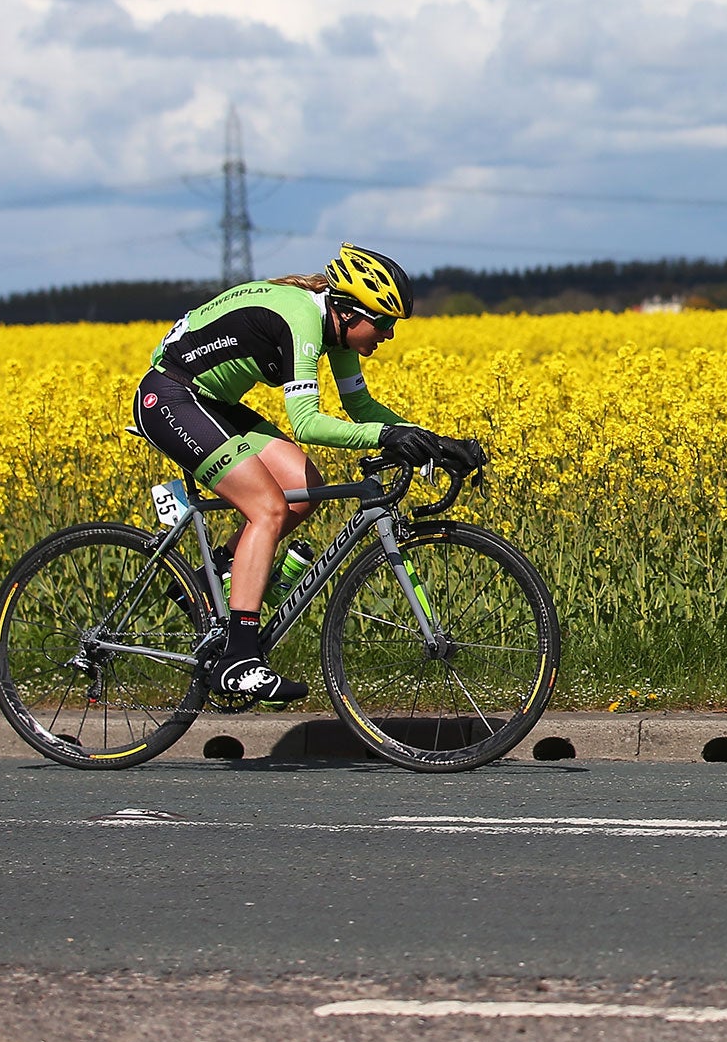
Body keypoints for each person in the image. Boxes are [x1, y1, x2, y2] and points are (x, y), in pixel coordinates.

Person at [133, 244, 483, 702]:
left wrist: (432, 441)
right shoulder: (301, 320)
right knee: (268, 508)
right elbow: (306, 422)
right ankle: (239, 659)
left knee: (306, 489)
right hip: (171, 398)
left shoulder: (334, 327)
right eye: (383, 322)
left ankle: (211, 580)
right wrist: (387, 438)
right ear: (350, 310)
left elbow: (359, 406)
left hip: (212, 403)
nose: (389, 335)